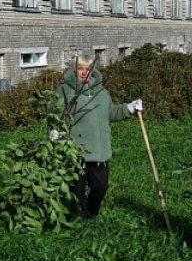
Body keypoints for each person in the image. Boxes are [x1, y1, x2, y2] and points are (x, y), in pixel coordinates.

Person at [48, 57, 142, 219]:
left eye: (88, 69)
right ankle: (76, 218)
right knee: (76, 191)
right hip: (76, 151)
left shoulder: (101, 92)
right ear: (74, 70)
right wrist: (53, 131)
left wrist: (129, 108)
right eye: (80, 69)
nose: (85, 72)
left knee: (101, 187)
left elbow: (111, 112)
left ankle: (90, 214)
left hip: (99, 151)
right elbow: (54, 116)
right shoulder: (64, 91)